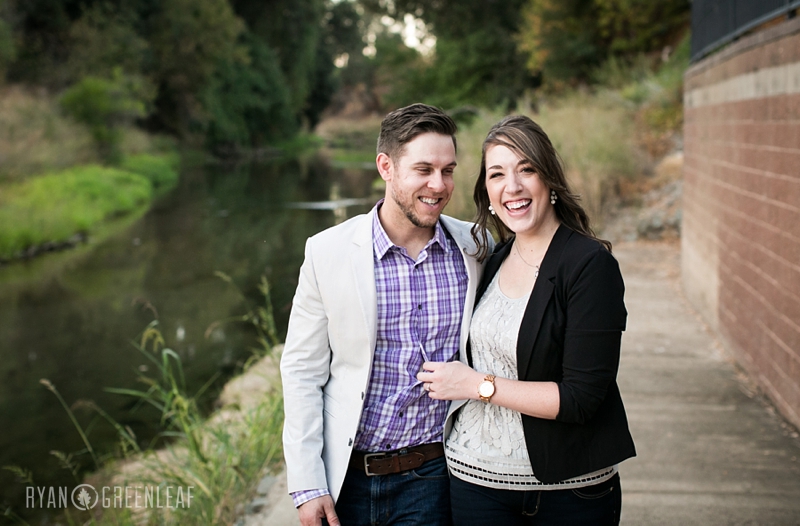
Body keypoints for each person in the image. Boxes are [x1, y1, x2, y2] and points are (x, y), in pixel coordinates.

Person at [417, 115, 636, 525]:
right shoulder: (491, 258)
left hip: (567, 493)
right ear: (487, 190)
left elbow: (581, 398)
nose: (512, 187)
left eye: (526, 169)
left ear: (549, 179)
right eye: (497, 174)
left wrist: (477, 385)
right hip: (474, 484)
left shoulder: (589, 266)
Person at [281, 103, 489, 526]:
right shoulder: (327, 252)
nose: (439, 185)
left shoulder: (476, 249)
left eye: (448, 170)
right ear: (386, 167)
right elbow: (302, 370)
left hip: (435, 478)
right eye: (423, 169)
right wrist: (308, 484)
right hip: (346, 479)